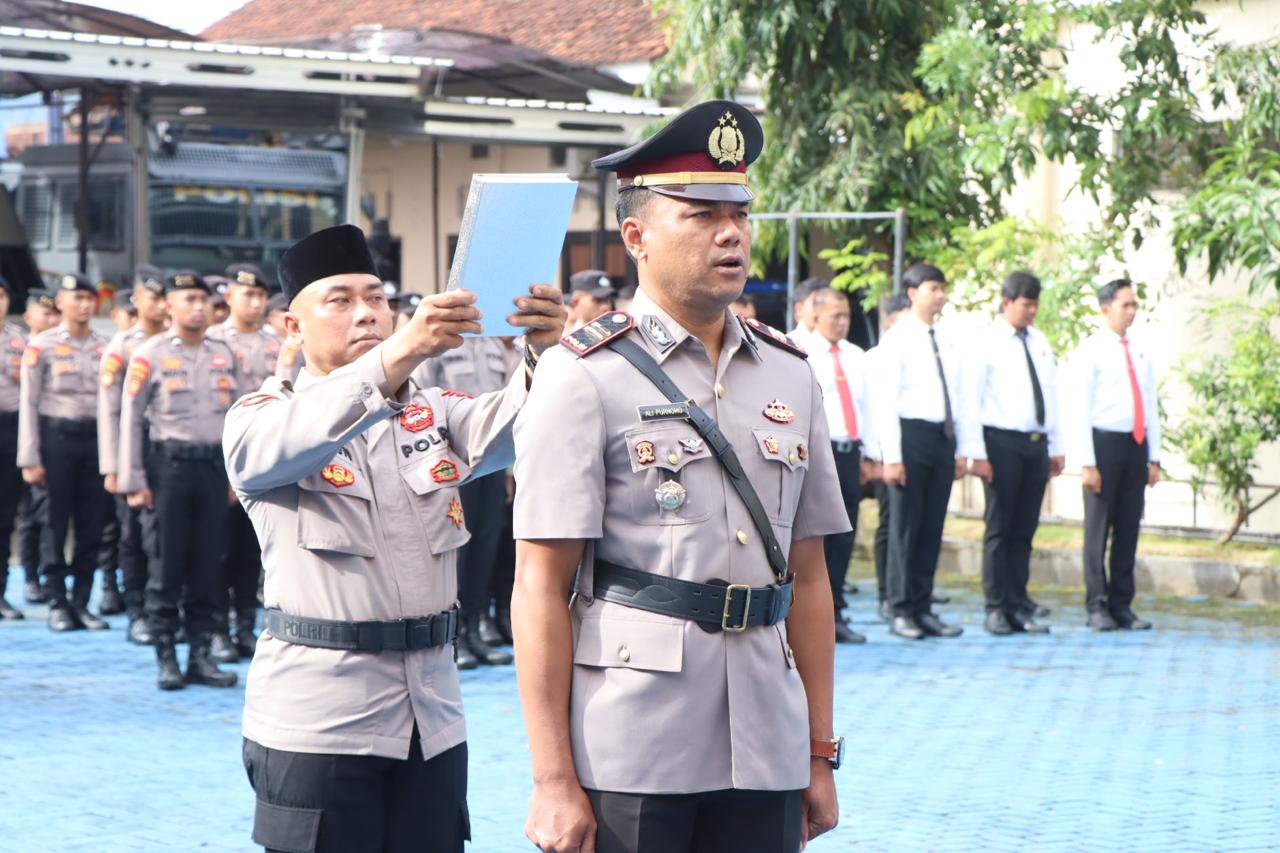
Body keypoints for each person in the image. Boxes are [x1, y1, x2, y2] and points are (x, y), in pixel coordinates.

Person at [512, 100, 845, 853]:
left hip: (765, 738)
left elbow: (812, 576)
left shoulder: (791, 375)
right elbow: (539, 583)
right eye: (699, 214)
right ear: (637, 236)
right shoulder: (581, 376)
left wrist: (819, 751)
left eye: (738, 213)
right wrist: (553, 777)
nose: (729, 232)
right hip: (636, 740)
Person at [223, 223, 564, 853]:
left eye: (377, 298)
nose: (367, 314)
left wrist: (544, 353)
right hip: (320, 723)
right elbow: (292, 439)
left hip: (429, 716)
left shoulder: (430, 411)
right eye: (341, 300)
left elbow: (522, 426)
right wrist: (401, 353)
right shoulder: (258, 418)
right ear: (292, 328)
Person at [119, 271, 243, 690]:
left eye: (202, 300)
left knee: (209, 564)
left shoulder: (224, 353)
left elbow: (239, 420)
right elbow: (131, 420)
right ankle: (166, 657)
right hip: (167, 469)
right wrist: (133, 478)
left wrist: (235, 476)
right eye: (188, 299)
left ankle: (201, 655)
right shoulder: (148, 354)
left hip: (212, 470)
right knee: (167, 564)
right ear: (169, 305)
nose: (198, 307)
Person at [873, 262, 976, 641]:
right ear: (913, 292)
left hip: (941, 437)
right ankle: (900, 608)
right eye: (934, 288)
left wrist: (964, 447)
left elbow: (962, 397)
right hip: (910, 435)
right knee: (905, 526)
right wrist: (893, 456)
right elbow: (886, 401)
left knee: (932, 525)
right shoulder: (897, 338)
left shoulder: (949, 339)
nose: (941, 295)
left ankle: (923, 605)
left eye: (943, 288)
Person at [412, 336, 517, 668]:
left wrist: (510, 469)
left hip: (491, 465)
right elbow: (419, 408)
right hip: (451, 464)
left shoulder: (493, 347)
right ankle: (454, 637)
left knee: (486, 546)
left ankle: (474, 631)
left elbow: (507, 413)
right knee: (459, 551)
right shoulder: (438, 345)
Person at [967, 272, 1061, 635]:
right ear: (1007, 302)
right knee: (1000, 528)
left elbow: (1051, 394)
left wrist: (1056, 445)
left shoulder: (1039, 341)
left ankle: (1019, 603)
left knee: (1025, 530)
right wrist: (976, 452)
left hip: (1035, 444)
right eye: (1026, 304)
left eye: (1036, 304)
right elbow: (971, 400)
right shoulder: (987, 342)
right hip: (1000, 442)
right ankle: (996, 606)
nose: (1032, 311)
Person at [19, 273, 112, 632]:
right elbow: (28, 404)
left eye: (90, 298)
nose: (85, 304)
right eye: (77, 298)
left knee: (92, 525)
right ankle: (57, 600)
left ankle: (81, 602)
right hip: (55, 439)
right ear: (60, 302)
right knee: (53, 523)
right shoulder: (40, 346)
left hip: (95, 442)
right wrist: (30, 457)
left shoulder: (108, 346)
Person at [1067, 279, 1159, 631]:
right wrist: (1087, 463)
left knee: (1128, 528)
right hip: (1103, 445)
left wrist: (1155, 457)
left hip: (1134, 445)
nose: (1132, 311)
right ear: (1106, 308)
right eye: (1126, 305)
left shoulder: (1140, 350)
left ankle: (1122, 604)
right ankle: (1097, 604)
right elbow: (1080, 408)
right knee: (1097, 529)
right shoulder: (1090, 351)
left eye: (1135, 305)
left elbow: (1150, 404)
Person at [795, 287, 879, 644]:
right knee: (815, 537)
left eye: (847, 317)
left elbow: (866, 407)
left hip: (848, 451)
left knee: (844, 534)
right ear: (815, 317)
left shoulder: (856, 355)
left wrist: (871, 453)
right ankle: (809, 614)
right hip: (817, 451)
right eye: (835, 316)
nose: (843, 323)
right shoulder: (798, 352)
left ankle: (837, 609)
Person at [206, 262, 280, 662]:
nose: (254, 302)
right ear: (229, 296)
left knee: (254, 551)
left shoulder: (278, 345)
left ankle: (245, 628)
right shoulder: (212, 342)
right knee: (219, 549)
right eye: (246, 294)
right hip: (219, 461)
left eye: (260, 295)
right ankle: (217, 629)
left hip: (266, 459)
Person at [98, 267, 170, 644]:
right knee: (133, 534)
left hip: (171, 452)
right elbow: (111, 411)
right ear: (138, 301)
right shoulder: (123, 346)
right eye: (152, 297)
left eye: (164, 297)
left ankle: (169, 610)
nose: (159, 304)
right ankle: (137, 611)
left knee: (167, 534)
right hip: (134, 446)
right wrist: (114, 466)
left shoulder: (182, 342)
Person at [15, 288, 60, 606]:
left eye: (54, 313)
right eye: (45, 314)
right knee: (25, 514)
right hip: (12, 434)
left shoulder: (57, 349)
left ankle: (44, 574)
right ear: (30, 316)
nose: (51, 319)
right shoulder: (20, 344)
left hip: (45, 436)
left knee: (42, 510)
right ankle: (29, 575)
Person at [869, 293, 911, 621]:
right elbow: (872, 410)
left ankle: (905, 588)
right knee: (890, 524)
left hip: (893, 448)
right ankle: (888, 591)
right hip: (881, 450)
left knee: (903, 523)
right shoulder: (875, 356)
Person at [0, 275, 27, 619]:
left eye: (2, 295)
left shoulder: (22, 342)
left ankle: (1, 591)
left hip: (9, 429)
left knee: (4, 518)